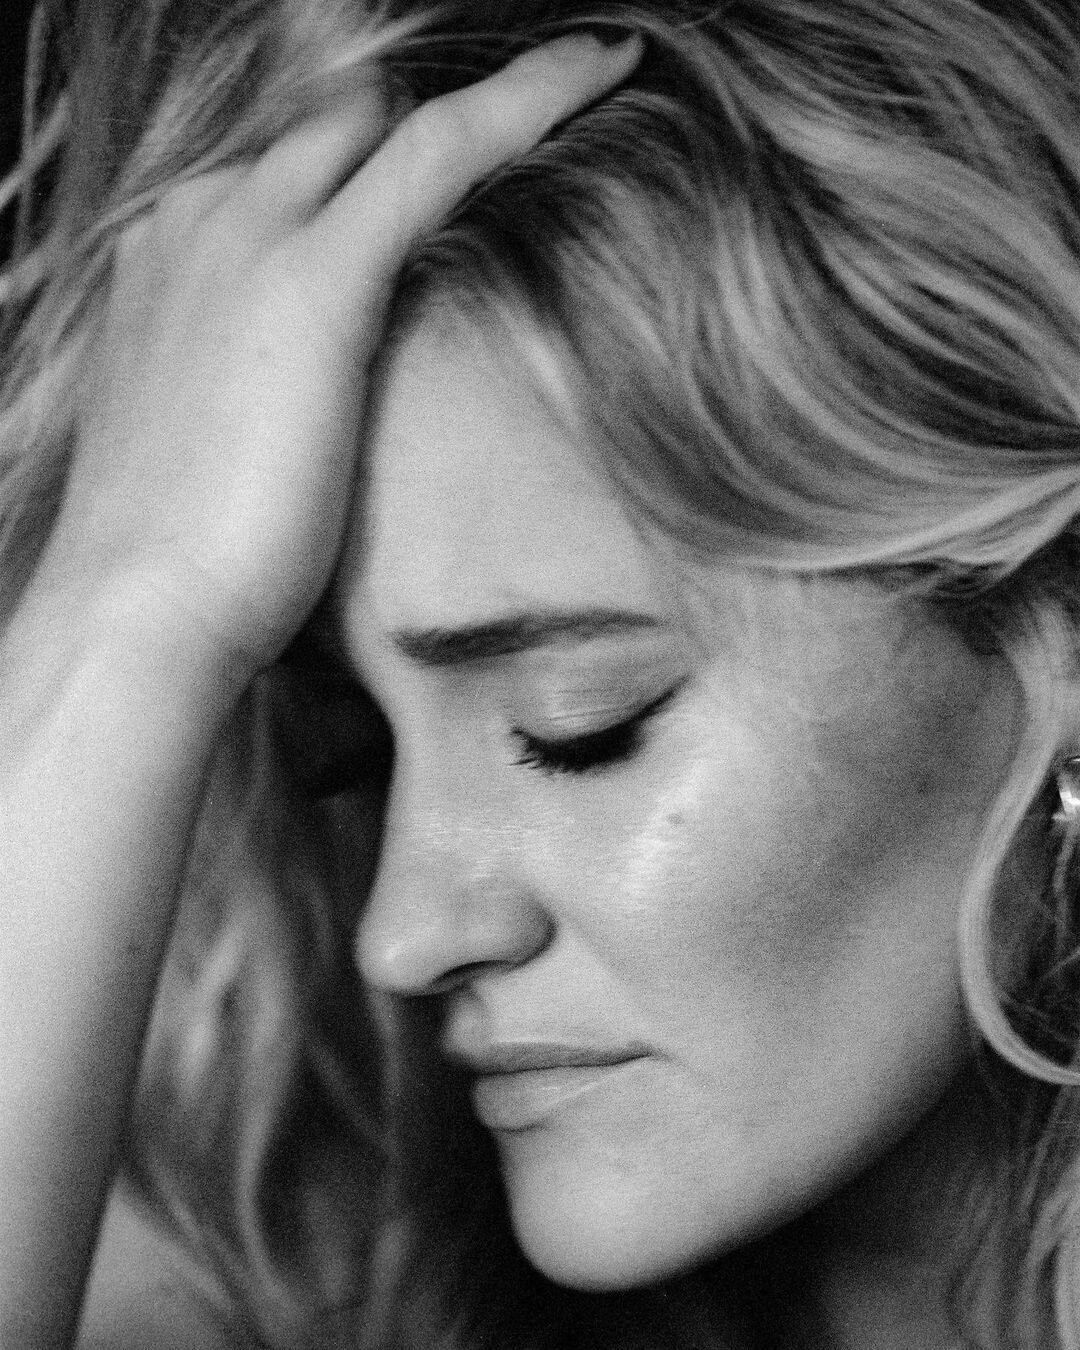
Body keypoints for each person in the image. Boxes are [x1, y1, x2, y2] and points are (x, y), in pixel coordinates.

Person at [5, 0, 1080, 1346]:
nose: (404, 937)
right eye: (355, 759)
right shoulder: (278, 1276)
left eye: (577, 727)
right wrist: (127, 613)